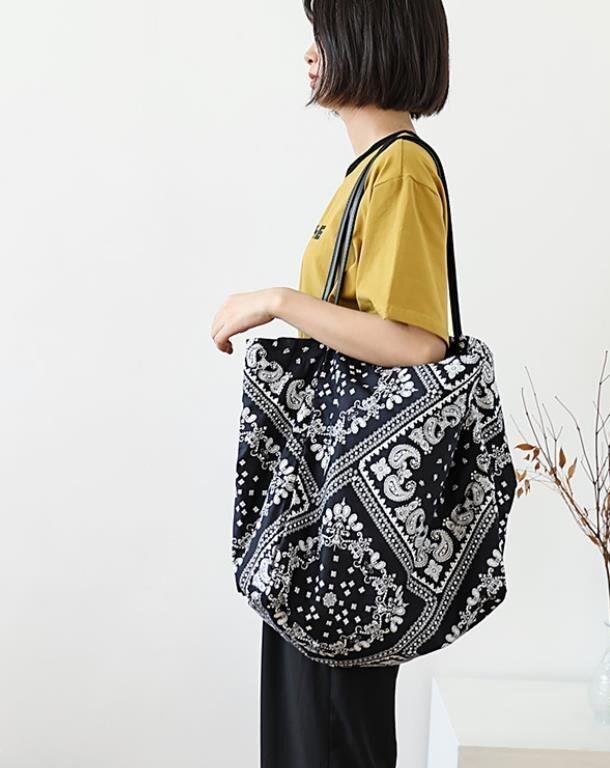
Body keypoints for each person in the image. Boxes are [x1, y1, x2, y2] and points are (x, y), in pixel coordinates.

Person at [211, 1, 452, 765]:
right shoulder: (370, 173)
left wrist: (280, 302)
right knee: (311, 733)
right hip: (327, 517)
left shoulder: (401, 170)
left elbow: (417, 343)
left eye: (325, 35)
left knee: (326, 737)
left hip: (346, 526)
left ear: (371, 39)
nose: (311, 53)